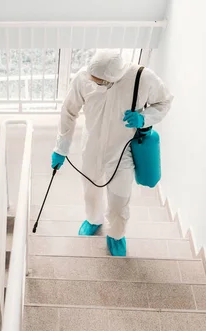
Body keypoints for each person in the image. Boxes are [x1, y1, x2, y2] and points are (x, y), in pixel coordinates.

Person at [51, 49, 173, 256]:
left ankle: (116, 234)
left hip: (122, 151)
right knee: (90, 191)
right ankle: (93, 219)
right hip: (91, 147)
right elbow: (69, 111)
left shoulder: (143, 78)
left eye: (100, 81)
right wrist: (61, 148)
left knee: (119, 200)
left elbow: (165, 102)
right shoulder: (83, 77)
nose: (94, 82)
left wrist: (144, 118)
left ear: (113, 78)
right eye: (93, 78)